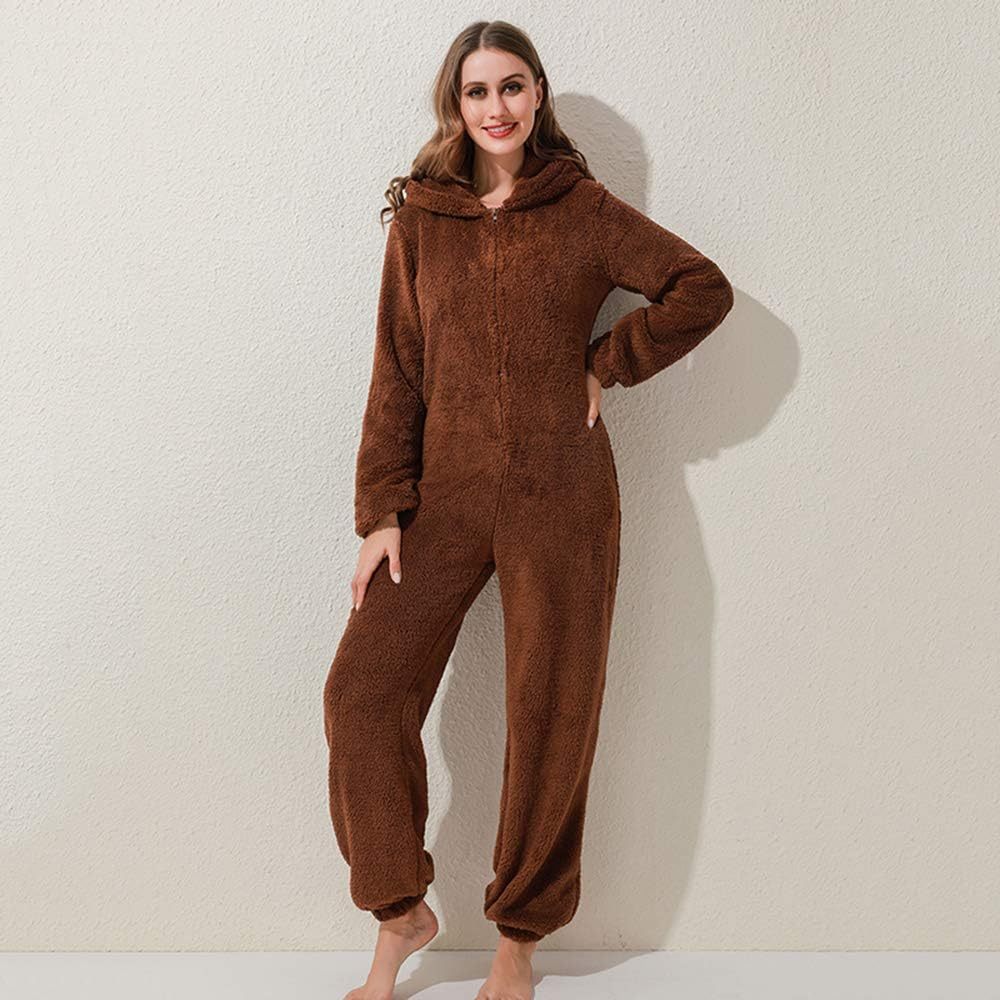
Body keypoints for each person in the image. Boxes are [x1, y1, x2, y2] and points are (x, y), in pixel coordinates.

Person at [323, 19, 734, 1000]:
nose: (496, 107)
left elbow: (700, 288)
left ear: (537, 93)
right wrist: (381, 511)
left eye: (512, 86)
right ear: (455, 104)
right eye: (477, 91)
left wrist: (606, 363)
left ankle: (519, 938)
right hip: (444, 496)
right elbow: (397, 371)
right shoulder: (422, 219)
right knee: (361, 695)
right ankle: (399, 912)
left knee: (550, 710)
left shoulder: (581, 208)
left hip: (563, 492)